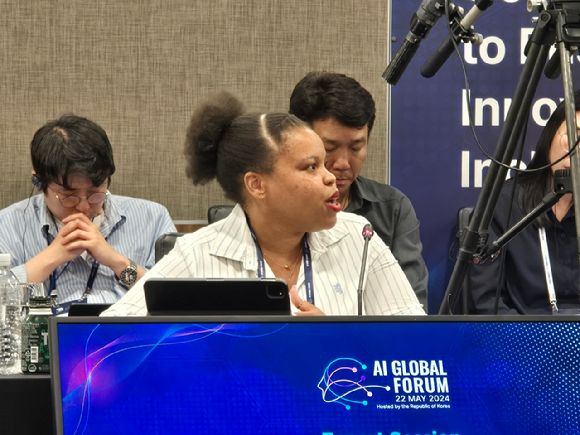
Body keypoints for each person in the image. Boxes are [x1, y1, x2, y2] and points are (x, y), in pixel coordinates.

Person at [102, 92, 425, 316]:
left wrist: (332, 339)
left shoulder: (359, 237)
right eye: (311, 167)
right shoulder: (197, 253)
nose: (331, 178)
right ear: (257, 184)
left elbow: (416, 346)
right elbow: (104, 342)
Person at [0, 114, 176, 313]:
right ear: (39, 182)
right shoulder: (8, 225)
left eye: (95, 193)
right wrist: (51, 257)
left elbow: (174, 302)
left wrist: (116, 261)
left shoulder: (152, 218)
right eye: (69, 196)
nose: (84, 206)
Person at [289, 71, 429, 309]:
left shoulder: (392, 209)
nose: (343, 163)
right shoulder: (278, 209)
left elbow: (411, 312)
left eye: (355, 148)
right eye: (329, 148)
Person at [468, 92, 580, 314]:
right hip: (522, 330)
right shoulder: (502, 204)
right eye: (573, 136)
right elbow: (486, 303)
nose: (576, 151)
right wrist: (527, 334)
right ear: (550, 136)